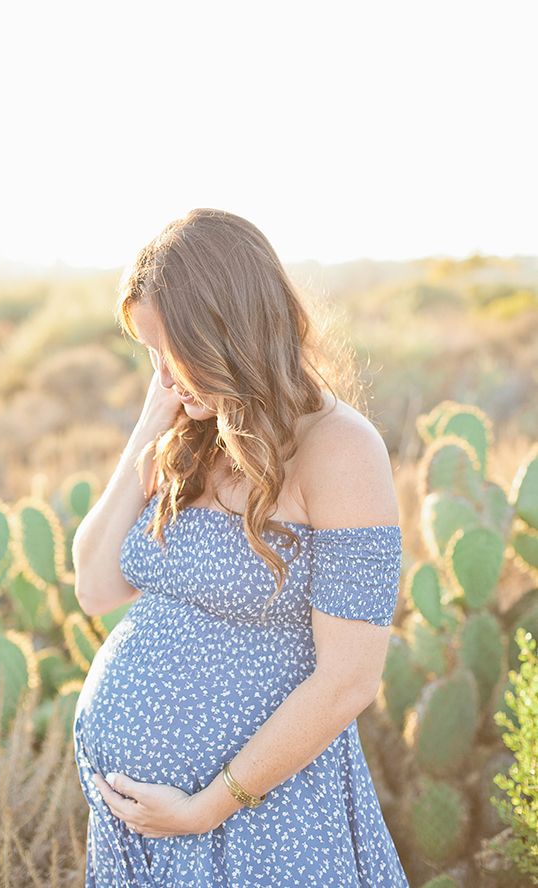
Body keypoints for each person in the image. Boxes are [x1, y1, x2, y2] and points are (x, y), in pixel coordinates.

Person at [72, 208, 409, 887]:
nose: (163, 373)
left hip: (260, 826)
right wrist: (150, 422)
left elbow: (350, 679)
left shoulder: (341, 449)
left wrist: (204, 808)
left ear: (228, 331)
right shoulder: (193, 434)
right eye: (147, 353)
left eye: (173, 350)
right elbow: (96, 586)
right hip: (141, 834)